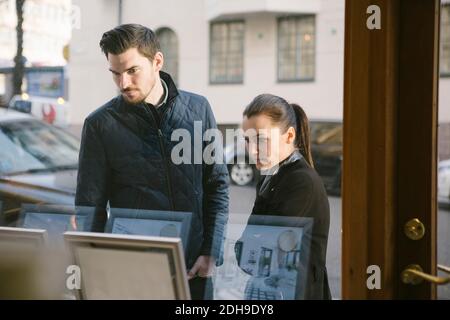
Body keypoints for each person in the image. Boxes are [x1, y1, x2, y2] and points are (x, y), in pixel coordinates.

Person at [74, 24, 229, 299]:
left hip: (194, 268)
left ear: (157, 61)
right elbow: (90, 208)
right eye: (115, 73)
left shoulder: (198, 110)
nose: (123, 83)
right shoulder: (100, 125)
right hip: (135, 273)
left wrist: (211, 252)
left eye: (132, 71)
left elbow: (216, 185)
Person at [238, 93, 331, 299]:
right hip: (274, 290)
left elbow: (261, 257)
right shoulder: (271, 175)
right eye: (247, 140)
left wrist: (251, 247)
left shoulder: (301, 181)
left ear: (289, 136)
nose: (252, 150)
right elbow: (245, 255)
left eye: (261, 140)